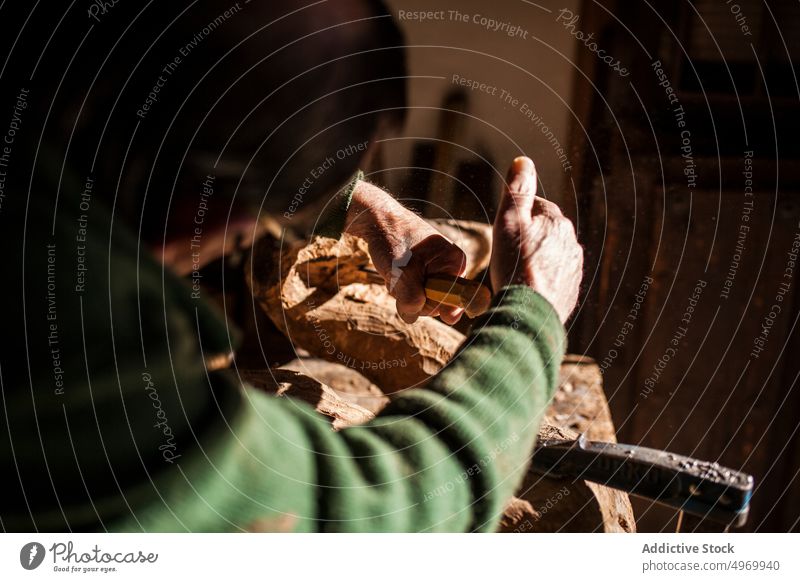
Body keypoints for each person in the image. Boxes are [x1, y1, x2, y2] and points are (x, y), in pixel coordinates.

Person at [0, 1, 582, 532]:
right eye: (261, 217)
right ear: (233, 222)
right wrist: (532, 316)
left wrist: (363, 204)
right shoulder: (86, 354)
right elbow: (364, 512)